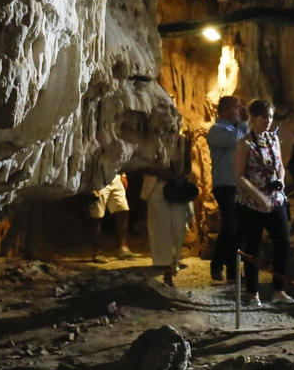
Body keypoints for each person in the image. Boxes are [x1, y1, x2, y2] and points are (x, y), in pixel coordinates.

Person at [234, 100, 294, 307]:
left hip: (275, 200)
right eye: (263, 117)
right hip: (252, 203)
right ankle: (253, 293)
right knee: (253, 246)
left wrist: (280, 180)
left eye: (270, 117)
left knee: (283, 243)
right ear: (252, 118)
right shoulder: (244, 144)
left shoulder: (273, 139)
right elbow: (238, 176)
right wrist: (257, 196)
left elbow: (279, 165)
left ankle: (279, 290)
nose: (267, 121)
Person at [207, 96, 248, 282]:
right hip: (225, 184)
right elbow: (236, 141)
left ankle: (233, 271)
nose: (239, 111)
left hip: (239, 185)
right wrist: (245, 122)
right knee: (230, 226)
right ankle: (216, 265)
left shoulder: (236, 129)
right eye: (236, 108)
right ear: (224, 110)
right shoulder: (217, 131)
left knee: (240, 228)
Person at [141, 155, 194, 286]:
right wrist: (159, 172)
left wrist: (178, 174)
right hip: (156, 186)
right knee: (159, 226)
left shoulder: (183, 141)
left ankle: (175, 258)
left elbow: (187, 164)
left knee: (179, 225)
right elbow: (141, 163)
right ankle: (162, 262)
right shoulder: (150, 139)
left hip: (178, 186)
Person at [88, 172, 133, 259]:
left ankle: (122, 248)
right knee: (97, 214)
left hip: (115, 176)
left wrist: (123, 174)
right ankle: (97, 251)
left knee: (122, 209)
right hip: (98, 176)